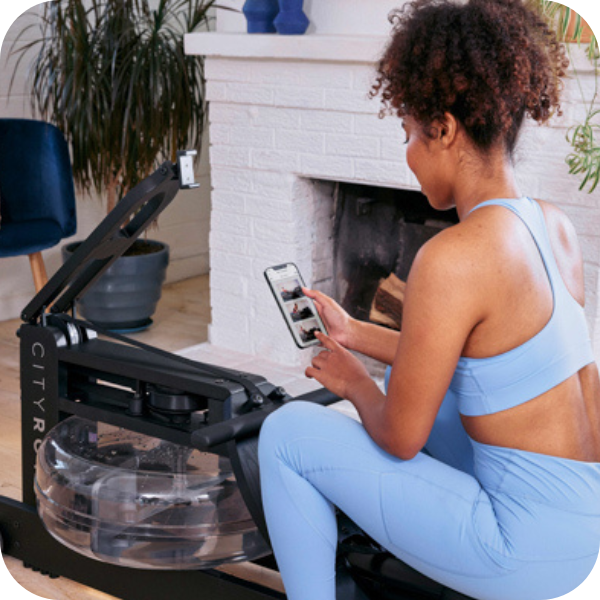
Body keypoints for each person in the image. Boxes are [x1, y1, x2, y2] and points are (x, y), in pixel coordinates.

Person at [258, 1, 600, 599]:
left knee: (287, 433)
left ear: (443, 129)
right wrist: (355, 335)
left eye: (410, 134)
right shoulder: (553, 226)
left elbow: (400, 438)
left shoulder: (452, 256)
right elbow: (505, 367)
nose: (408, 153)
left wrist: (352, 382)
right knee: (434, 392)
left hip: (518, 551)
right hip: (584, 526)